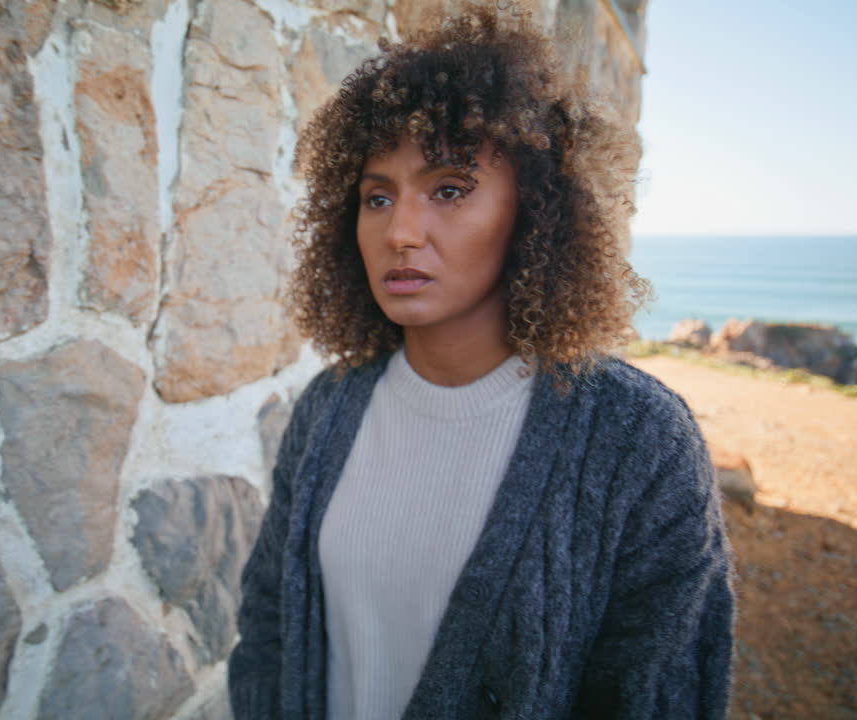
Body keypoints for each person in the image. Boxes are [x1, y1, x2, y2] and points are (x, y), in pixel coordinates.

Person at [228, 6, 734, 720]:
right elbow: (272, 627)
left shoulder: (639, 441)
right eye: (377, 197)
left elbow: (660, 695)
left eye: (450, 189)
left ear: (534, 209)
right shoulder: (330, 405)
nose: (401, 231)